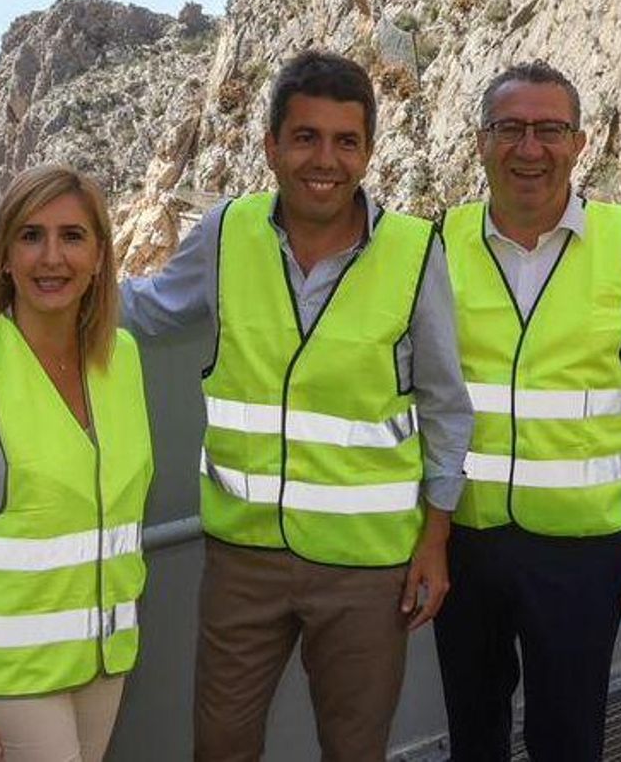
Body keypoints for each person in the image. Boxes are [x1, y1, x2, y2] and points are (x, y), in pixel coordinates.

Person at [121, 50, 474, 760]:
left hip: (367, 569)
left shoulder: (413, 252)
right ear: (272, 147)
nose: (326, 159)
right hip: (243, 558)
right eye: (306, 137)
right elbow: (149, 309)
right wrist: (30, 293)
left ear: (369, 152)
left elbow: (445, 406)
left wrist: (435, 539)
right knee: (220, 747)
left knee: (353, 750)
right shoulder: (228, 232)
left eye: (347, 141)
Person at [434, 60, 621, 761]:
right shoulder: (436, 246)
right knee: (473, 732)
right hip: (465, 540)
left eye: (550, 129)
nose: (530, 148)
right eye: (511, 129)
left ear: (580, 144)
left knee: (569, 737)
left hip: (582, 552)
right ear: (481, 143)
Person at [0, 165, 154, 762]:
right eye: (30, 236)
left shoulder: (121, 358)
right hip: (8, 676)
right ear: (4, 258)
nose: (52, 258)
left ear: (99, 257)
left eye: (72, 237)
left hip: (103, 656)